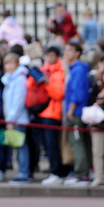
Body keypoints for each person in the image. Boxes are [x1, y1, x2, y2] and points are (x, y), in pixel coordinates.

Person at [63, 39, 91, 184]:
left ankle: (81, 173)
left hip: (76, 112)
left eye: (69, 50)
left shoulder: (78, 70)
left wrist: (71, 110)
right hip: (76, 111)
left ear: (77, 53)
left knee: (77, 143)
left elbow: (77, 93)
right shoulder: (75, 68)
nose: (66, 53)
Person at [38, 46, 67, 186]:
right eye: (47, 55)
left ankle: (57, 172)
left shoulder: (59, 72)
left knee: (52, 144)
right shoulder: (45, 70)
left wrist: (47, 83)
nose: (48, 58)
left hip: (53, 113)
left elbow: (58, 94)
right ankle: (54, 171)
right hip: (44, 112)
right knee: (48, 145)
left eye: (51, 55)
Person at [1, 52, 31, 182]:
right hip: (13, 119)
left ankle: (24, 173)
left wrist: (11, 119)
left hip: (19, 119)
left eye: (11, 63)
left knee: (21, 147)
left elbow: (18, 102)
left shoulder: (19, 79)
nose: (9, 66)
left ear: (17, 64)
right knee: (17, 147)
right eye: (6, 63)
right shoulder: (9, 79)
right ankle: (21, 171)